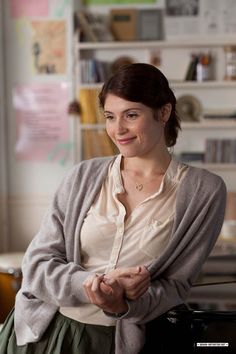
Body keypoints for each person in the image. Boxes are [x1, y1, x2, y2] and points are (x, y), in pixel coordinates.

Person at [0, 63, 226, 354]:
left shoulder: (204, 191)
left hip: (120, 342)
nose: (117, 129)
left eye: (131, 115)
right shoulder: (82, 176)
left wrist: (123, 304)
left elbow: (175, 287)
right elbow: (37, 265)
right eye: (110, 117)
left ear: (164, 113)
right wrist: (94, 286)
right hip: (48, 333)